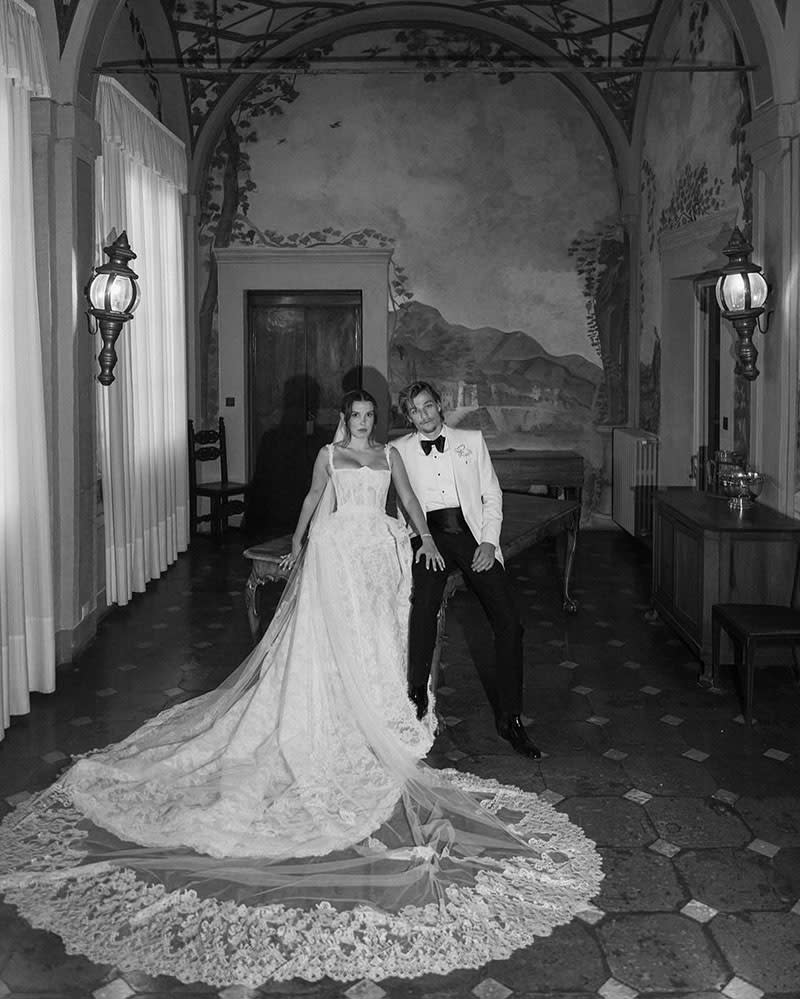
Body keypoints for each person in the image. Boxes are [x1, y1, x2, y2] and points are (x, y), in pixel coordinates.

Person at [0, 389, 601, 987]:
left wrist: (429, 535)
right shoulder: (338, 453)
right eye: (361, 416)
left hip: (406, 542)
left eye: (379, 415)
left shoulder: (410, 454)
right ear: (350, 420)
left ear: (430, 411)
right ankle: (373, 704)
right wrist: (298, 542)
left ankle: (465, 711)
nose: (372, 423)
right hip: (341, 550)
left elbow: (419, 502)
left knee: (404, 631)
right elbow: (316, 498)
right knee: (360, 635)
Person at [392, 381, 540, 759]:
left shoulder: (471, 441)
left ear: (440, 405)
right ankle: (416, 699)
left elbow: (492, 494)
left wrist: (489, 542)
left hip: (471, 534)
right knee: (424, 604)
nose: (423, 416)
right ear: (407, 416)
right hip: (428, 537)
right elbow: (399, 505)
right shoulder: (400, 450)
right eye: (414, 411)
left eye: (427, 407)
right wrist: (416, 539)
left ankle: (511, 718)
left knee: (509, 620)